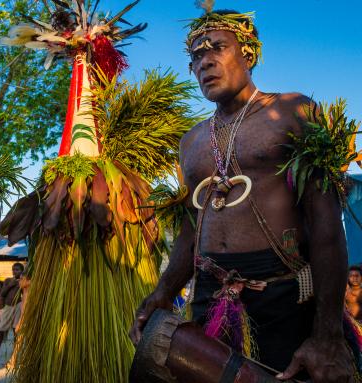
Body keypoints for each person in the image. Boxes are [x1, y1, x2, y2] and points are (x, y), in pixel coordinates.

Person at [130, 8, 355, 382]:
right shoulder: (192, 142)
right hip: (208, 293)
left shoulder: (291, 111)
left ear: (248, 53)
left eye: (216, 47)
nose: (205, 62)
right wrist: (163, 292)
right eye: (196, 56)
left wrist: (328, 334)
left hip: (281, 295)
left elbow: (327, 225)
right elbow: (190, 228)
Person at [0, 263, 23, 358]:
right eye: (13, 269)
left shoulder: (22, 281)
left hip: (18, 305)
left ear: (21, 271)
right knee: (1, 328)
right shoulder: (8, 280)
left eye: (17, 270)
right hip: (8, 306)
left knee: (16, 329)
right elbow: (3, 293)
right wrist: (10, 285)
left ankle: (15, 354)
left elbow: (24, 294)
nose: (15, 271)